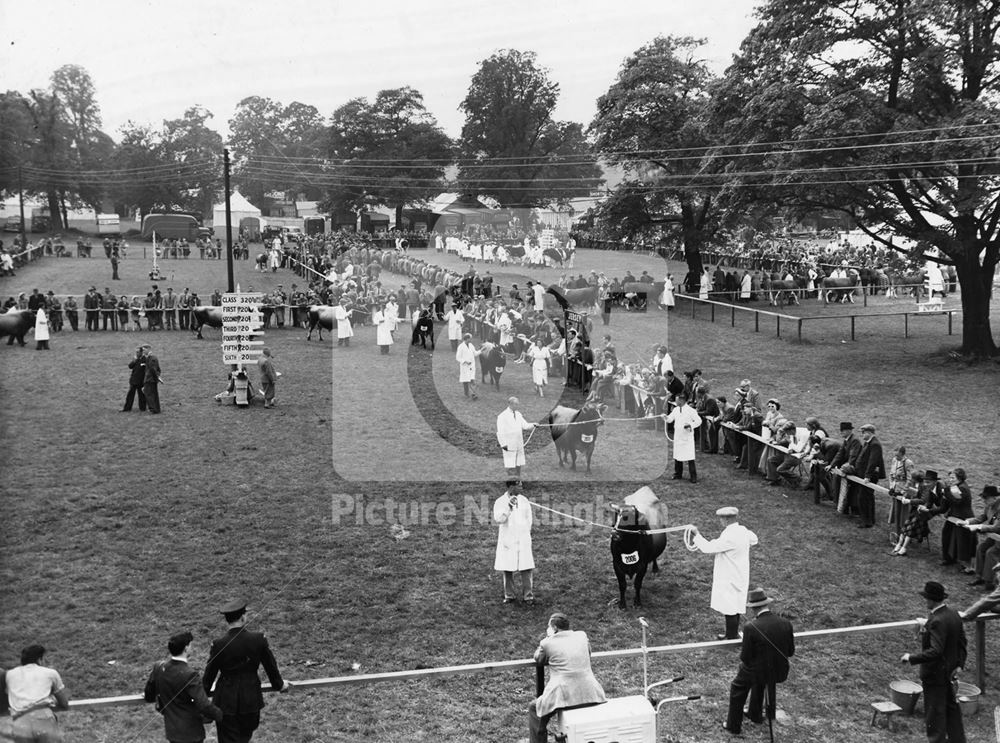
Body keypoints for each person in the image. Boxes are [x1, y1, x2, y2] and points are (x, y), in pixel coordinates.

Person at [203, 601, 291, 743]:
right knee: (245, 737)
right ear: (243, 617)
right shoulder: (258, 639)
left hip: (225, 702)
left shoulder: (218, 644)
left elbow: (209, 674)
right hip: (250, 699)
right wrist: (279, 685)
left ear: (227, 620)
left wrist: (203, 694)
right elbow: (271, 667)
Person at [901, 581, 967, 743]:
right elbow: (962, 642)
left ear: (931, 600)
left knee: (935, 714)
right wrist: (959, 664)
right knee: (952, 710)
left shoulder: (937, 620)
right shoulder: (953, 614)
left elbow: (936, 651)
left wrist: (911, 657)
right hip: (950, 672)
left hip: (935, 674)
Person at [723, 587, 795, 736]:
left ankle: (733, 726)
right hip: (780, 670)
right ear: (766, 605)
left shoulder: (751, 627)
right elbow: (790, 652)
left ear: (753, 609)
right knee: (761, 677)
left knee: (738, 687)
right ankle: (755, 714)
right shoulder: (785, 623)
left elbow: (746, 658)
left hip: (759, 671)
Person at [528, 613, 606, 743]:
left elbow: (538, 659)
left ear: (554, 628)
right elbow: (588, 652)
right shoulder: (582, 636)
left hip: (563, 694)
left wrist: (548, 638)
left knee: (534, 708)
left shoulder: (547, 643)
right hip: (591, 692)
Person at [690, 507, 759, 639]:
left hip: (729, 576)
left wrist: (697, 534)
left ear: (727, 519)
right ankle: (731, 634)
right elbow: (754, 539)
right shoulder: (743, 531)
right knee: (736, 605)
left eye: (721, 518)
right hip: (740, 574)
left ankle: (732, 637)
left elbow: (708, 548)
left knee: (730, 608)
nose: (720, 521)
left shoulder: (729, 536)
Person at [144, 631, 223, 742]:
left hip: (172, 732)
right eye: (191, 645)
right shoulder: (190, 674)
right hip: (191, 734)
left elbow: (149, 695)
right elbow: (204, 705)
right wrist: (220, 715)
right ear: (186, 649)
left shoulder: (158, 667)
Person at [5, 644, 69, 743]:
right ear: (39, 659)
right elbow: (64, 703)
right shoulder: (50, 673)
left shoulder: (10, 674)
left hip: (20, 722)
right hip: (43, 718)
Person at [493, 480, 534, 604]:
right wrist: (508, 507)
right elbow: (499, 519)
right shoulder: (500, 502)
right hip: (508, 539)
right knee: (507, 567)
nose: (521, 487)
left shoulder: (524, 500)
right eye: (519, 485)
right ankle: (509, 595)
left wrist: (526, 533)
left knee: (526, 567)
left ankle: (528, 596)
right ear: (511, 487)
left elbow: (529, 519)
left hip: (522, 538)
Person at [854, 423, 886, 528]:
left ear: (869, 432)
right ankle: (869, 519)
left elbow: (873, 461)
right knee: (866, 497)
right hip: (864, 474)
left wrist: (867, 476)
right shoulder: (868, 443)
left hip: (869, 476)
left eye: (863, 433)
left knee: (864, 497)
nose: (862, 435)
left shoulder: (874, 444)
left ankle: (867, 521)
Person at [665, 392, 702, 482]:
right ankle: (678, 474)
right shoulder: (676, 410)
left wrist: (690, 425)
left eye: (677, 400)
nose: (676, 402)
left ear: (682, 400)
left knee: (690, 457)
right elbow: (670, 419)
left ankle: (693, 477)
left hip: (687, 437)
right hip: (678, 436)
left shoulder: (691, 411)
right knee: (677, 456)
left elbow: (699, 421)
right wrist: (665, 417)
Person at [496, 397, 535, 479]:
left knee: (518, 464)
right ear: (510, 404)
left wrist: (533, 425)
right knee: (510, 465)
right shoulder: (502, 416)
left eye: (518, 404)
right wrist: (503, 444)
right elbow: (500, 432)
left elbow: (525, 425)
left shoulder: (518, 414)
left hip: (518, 444)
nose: (517, 406)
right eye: (516, 404)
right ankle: (512, 485)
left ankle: (518, 483)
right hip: (509, 445)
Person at [123, 345, 148, 412]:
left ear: (141, 352)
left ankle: (142, 408)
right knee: (130, 395)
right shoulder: (136, 359)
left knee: (142, 396)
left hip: (141, 381)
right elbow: (130, 366)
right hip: (134, 380)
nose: (136, 353)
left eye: (138, 352)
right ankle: (127, 408)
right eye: (136, 352)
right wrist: (134, 361)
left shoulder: (145, 360)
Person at [455, 333, 480, 399]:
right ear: (467, 339)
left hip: (471, 366)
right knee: (466, 381)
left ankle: (473, 394)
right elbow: (458, 357)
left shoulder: (471, 345)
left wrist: (481, 351)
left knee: (472, 380)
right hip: (465, 367)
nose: (471, 340)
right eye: (470, 338)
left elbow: (475, 354)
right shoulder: (461, 347)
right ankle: (467, 394)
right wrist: (465, 361)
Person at [142, 343, 163, 414]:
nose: (143, 351)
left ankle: (153, 409)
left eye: (144, 350)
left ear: (148, 349)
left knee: (149, 394)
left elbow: (153, 369)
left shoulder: (152, 358)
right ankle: (156, 409)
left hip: (150, 379)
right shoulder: (150, 358)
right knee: (152, 394)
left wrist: (157, 377)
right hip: (150, 379)